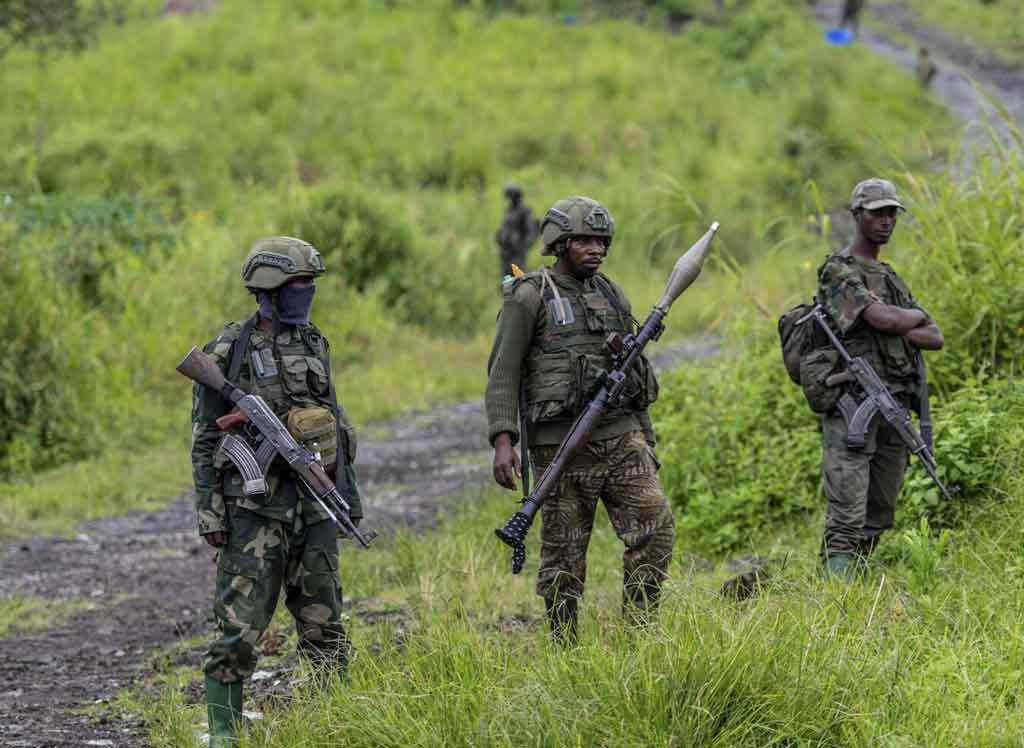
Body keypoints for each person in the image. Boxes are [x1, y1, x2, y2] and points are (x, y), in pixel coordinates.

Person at [190, 237, 363, 746]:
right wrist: (211, 513)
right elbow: (204, 436)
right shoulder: (230, 348)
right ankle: (224, 730)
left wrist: (347, 497)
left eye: (310, 284)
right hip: (254, 512)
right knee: (239, 628)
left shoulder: (314, 343)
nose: (307, 293)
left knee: (325, 621)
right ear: (270, 288)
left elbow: (334, 420)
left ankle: (338, 717)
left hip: (312, 507)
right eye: (298, 285)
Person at [485, 196, 674, 640]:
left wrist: (646, 438)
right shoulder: (530, 296)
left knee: (656, 526)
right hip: (560, 445)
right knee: (564, 555)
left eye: (602, 241)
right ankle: (564, 645)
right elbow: (503, 373)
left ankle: (640, 633)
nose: (596, 249)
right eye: (585, 240)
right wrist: (503, 440)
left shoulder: (610, 292)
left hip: (622, 437)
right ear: (560, 243)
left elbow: (633, 370)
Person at [817, 179, 943, 577]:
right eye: (877, 213)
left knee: (879, 512)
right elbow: (881, 318)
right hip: (853, 403)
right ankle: (831, 599)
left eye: (892, 213)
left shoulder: (889, 277)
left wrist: (900, 323)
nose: (886, 220)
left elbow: (935, 336)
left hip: (893, 406)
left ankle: (855, 589)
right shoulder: (838, 271)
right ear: (857, 215)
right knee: (846, 515)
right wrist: (907, 321)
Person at [495, 183, 540, 280]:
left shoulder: (524, 211)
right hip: (506, 251)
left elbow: (531, 231)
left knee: (518, 278)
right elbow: (505, 227)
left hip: (517, 252)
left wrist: (523, 247)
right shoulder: (509, 210)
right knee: (506, 279)